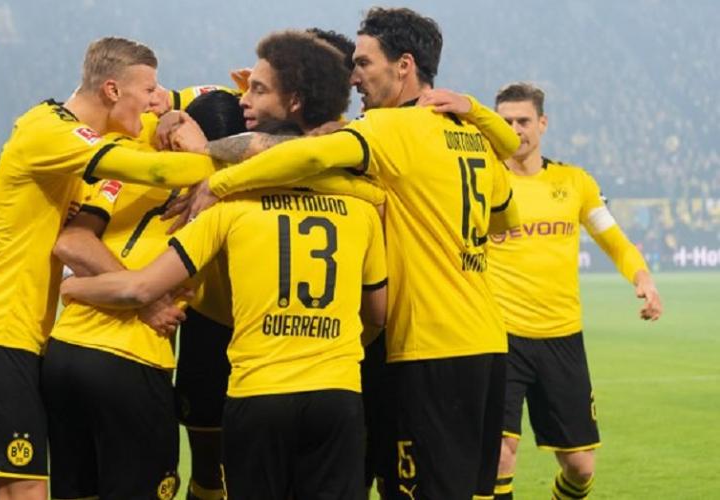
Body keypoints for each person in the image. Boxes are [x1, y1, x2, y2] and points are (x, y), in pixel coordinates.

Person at [171, 8, 522, 499]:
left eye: (363, 63)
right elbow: (505, 218)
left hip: (426, 342)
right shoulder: (474, 136)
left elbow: (310, 154)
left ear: (404, 65)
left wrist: (220, 179)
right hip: (486, 341)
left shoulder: (387, 129)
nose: (354, 76)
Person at [0, 36, 220, 500]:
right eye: (148, 90)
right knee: (26, 488)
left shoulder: (61, 129)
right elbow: (153, 171)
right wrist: (213, 169)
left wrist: (173, 116)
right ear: (112, 90)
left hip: (9, 330)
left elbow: (162, 121)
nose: (156, 99)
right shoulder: (53, 134)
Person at [58, 162, 389, 499]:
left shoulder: (228, 207)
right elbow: (378, 314)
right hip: (336, 390)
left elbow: (139, 288)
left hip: (256, 390)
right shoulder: (360, 210)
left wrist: (74, 288)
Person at [487, 82, 663, 500]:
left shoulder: (574, 182)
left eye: (523, 121)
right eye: (505, 122)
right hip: (499, 337)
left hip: (562, 338)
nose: (514, 130)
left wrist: (642, 278)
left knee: (581, 468)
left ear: (542, 123)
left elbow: (614, 240)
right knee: (499, 455)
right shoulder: (484, 181)